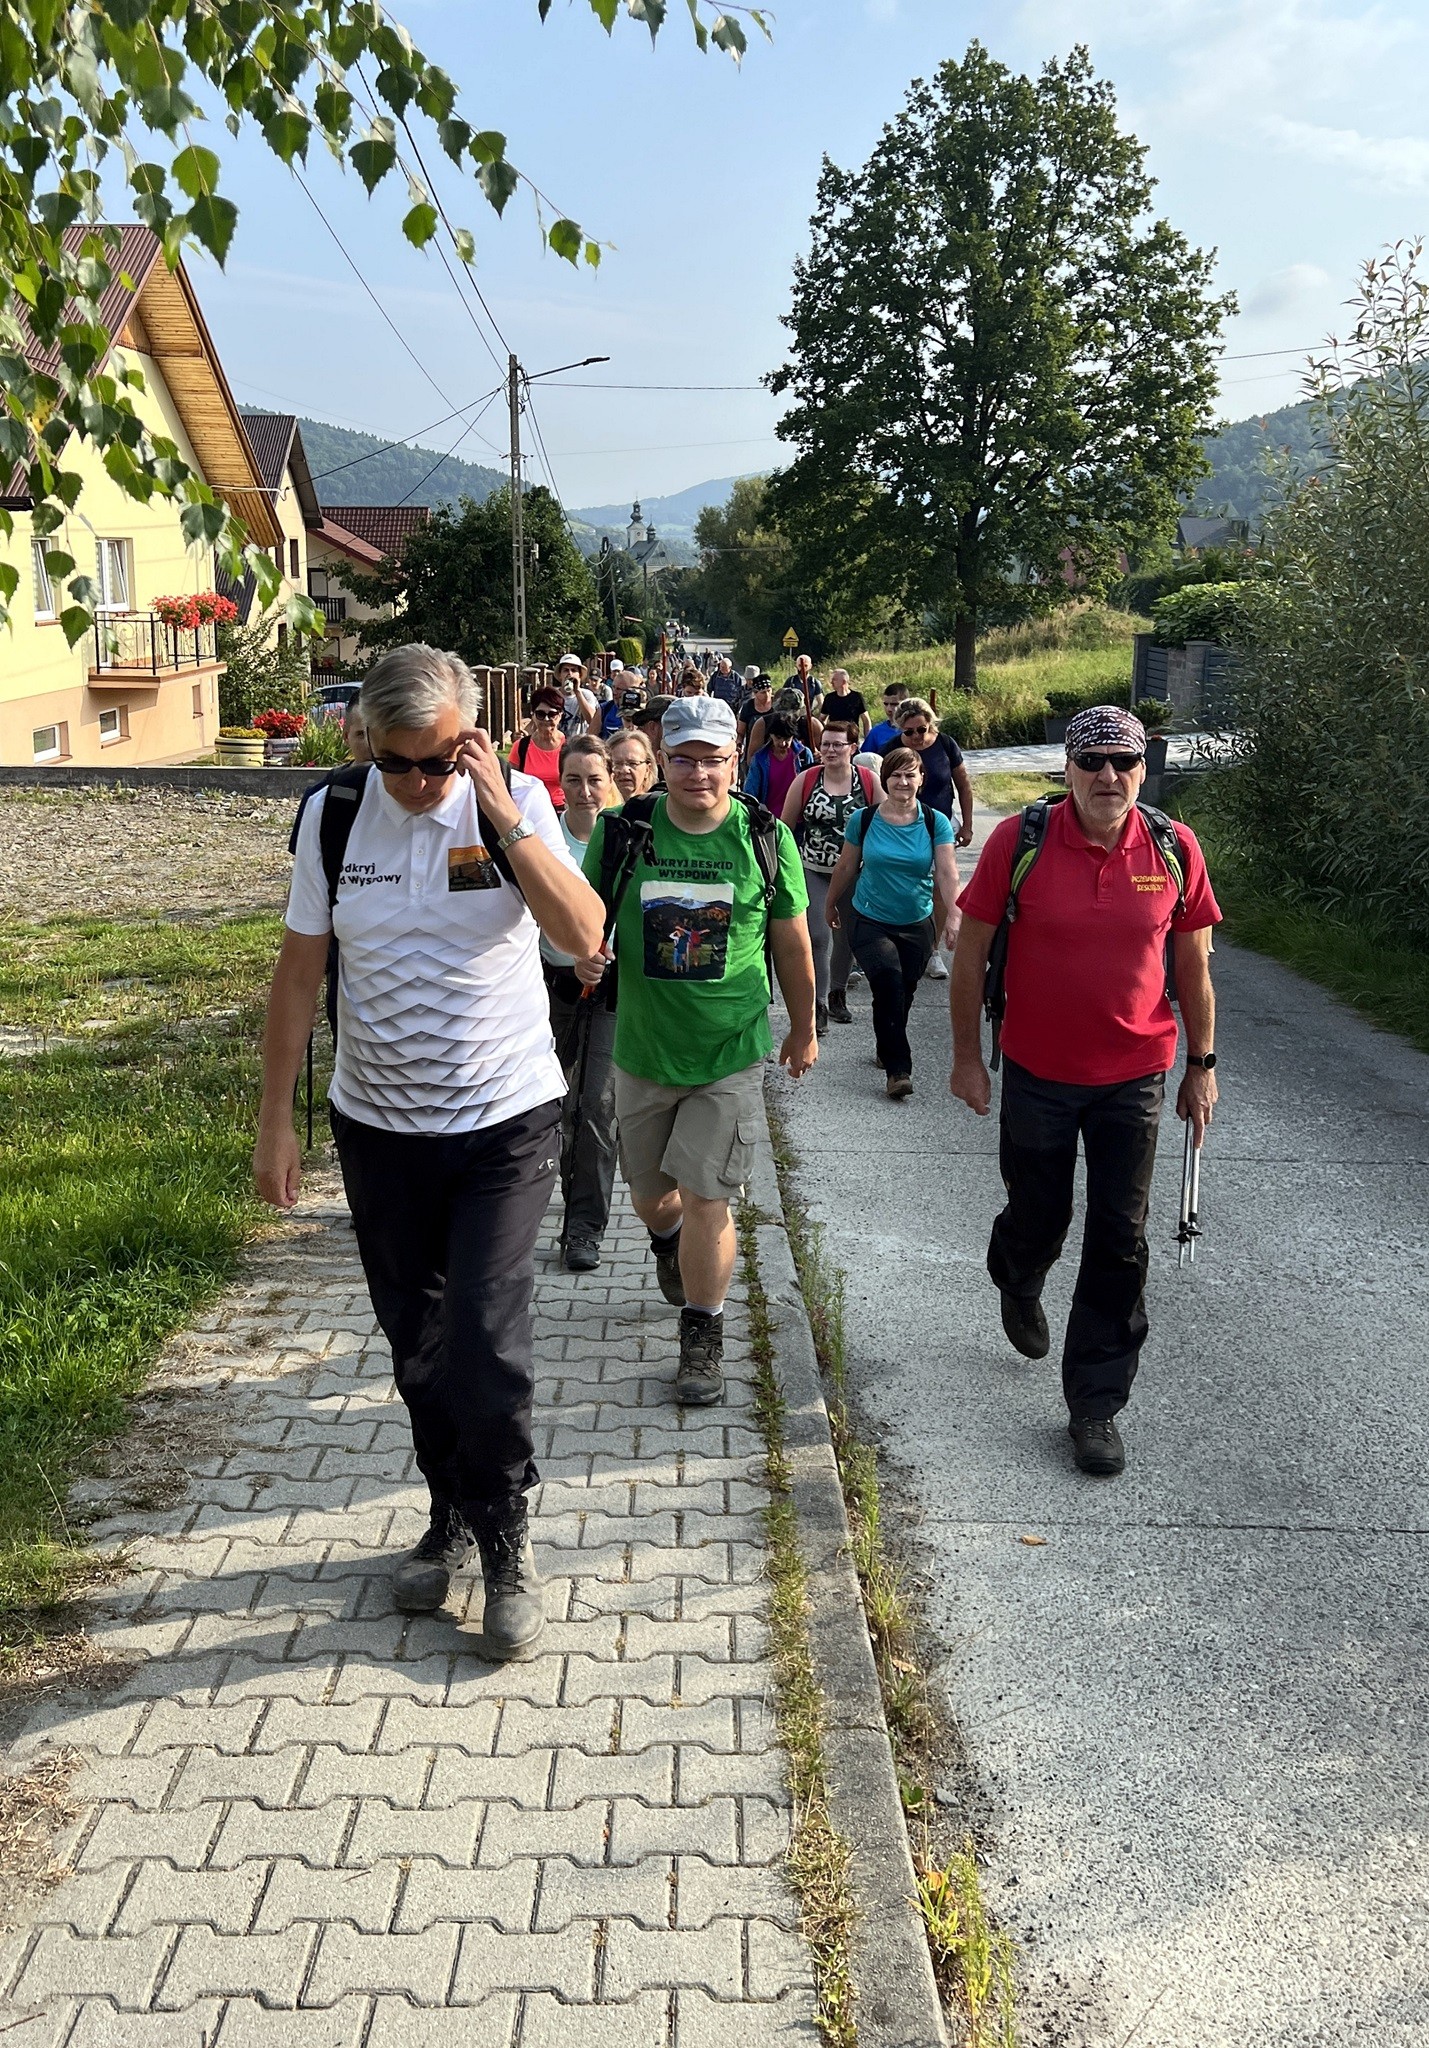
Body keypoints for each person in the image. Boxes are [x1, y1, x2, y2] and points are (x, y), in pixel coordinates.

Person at [253, 644, 605, 1654]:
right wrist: (274, 1119)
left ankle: (506, 1541)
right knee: (419, 1347)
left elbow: (585, 937)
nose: (418, 782)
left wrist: (502, 816)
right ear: (364, 738)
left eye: (439, 760)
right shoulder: (332, 816)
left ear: (470, 738)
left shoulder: (515, 804)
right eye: (398, 761)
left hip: (503, 1122)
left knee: (485, 1341)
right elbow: (297, 975)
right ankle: (449, 1513)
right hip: (378, 1128)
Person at [948, 705, 1221, 1480]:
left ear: (1142, 768)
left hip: (1134, 1075)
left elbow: (1193, 965)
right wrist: (967, 1059)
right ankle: (1017, 1272)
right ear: (1066, 769)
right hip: (1036, 1070)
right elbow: (970, 956)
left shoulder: (1172, 848)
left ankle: (1094, 1405)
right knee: (1039, 1214)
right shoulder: (1020, 841)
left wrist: (1201, 1064)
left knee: (1118, 1238)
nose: (1108, 776)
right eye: (1092, 762)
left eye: (1123, 762)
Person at [579, 696, 816, 1404]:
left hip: (729, 1051)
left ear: (734, 761)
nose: (698, 774)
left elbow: (792, 942)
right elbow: (584, 918)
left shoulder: (764, 837)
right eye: (683, 759)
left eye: (713, 760)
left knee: (711, 1196)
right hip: (643, 1049)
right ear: (662, 760)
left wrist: (802, 1028)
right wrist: (582, 953)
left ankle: (703, 1335)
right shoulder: (623, 831)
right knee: (654, 1199)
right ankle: (668, 1239)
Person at [824, 745, 958, 1100]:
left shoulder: (935, 822)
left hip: (916, 920)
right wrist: (830, 903)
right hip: (870, 917)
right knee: (888, 984)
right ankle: (899, 1070)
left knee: (904, 992)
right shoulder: (864, 819)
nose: (902, 781)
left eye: (909, 775)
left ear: (921, 779)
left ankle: (887, 1043)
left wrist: (954, 913)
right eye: (895, 775)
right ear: (885, 780)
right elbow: (846, 866)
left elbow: (947, 872)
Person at [543, 736, 621, 1272]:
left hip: (611, 991)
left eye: (595, 779)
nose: (585, 791)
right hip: (547, 987)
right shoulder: (544, 838)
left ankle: (583, 1228)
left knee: (594, 1107)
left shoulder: (626, 837)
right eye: (574, 779)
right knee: (548, 1108)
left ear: (610, 780)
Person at [782, 723, 880, 1031]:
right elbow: (785, 827)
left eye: (838, 744)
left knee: (846, 937)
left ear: (853, 748)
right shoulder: (807, 780)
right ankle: (819, 1004)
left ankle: (838, 994)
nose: (830, 750)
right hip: (814, 870)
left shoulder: (868, 781)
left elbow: (884, 824)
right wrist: (785, 866)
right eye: (825, 744)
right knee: (817, 937)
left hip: (854, 873)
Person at [890, 697, 974, 980]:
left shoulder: (945, 744)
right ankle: (901, 944)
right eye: (909, 731)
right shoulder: (892, 749)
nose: (916, 736)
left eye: (921, 729)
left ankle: (932, 951)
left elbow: (963, 785)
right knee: (907, 886)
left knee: (941, 884)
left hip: (941, 825)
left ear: (930, 724)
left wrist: (967, 825)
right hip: (903, 827)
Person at [509, 685, 567, 810]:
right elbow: (512, 784)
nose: (546, 719)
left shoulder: (568, 746)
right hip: (530, 809)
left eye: (552, 714)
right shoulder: (521, 747)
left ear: (560, 715)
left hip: (561, 809)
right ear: (533, 715)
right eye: (540, 714)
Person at [743, 709, 813, 814]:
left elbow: (812, 788)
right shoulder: (759, 759)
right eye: (778, 738)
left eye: (787, 738)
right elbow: (750, 795)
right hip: (770, 819)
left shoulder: (804, 755)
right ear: (771, 735)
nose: (782, 743)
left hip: (798, 819)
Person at [609, 726, 659, 805]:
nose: (624, 770)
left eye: (632, 763)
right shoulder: (599, 809)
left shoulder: (657, 806)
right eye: (617, 764)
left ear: (647, 769)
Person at [556, 652, 600, 737]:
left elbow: (592, 720)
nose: (569, 673)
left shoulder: (586, 695)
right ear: (560, 675)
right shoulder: (553, 695)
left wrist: (577, 692)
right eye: (566, 670)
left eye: (573, 670)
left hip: (579, 742)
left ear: (579, 675)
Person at [821, 668, 869, 741]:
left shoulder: (856, 697)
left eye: (834, 679)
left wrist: (868, 740)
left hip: (851, 736)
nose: (831, 682)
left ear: (843, 681)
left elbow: (866, 720)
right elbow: (822, 719)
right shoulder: (829, 698)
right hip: (834, 737)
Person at [736, 675, 774, 766]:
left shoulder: (777, 705)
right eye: (763, 692)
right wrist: (739, 744)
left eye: (769, 691)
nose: (767, 695)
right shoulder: (748, 707)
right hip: (753, 753)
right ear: (755, 693)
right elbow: (740, 732)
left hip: (773, 753)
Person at [865, 683, 909, 753]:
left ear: (906, 703)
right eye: (886, 704)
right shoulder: (876, 732)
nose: (889, 709)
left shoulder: (916, 730)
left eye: (894, 704)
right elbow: (866, 757)